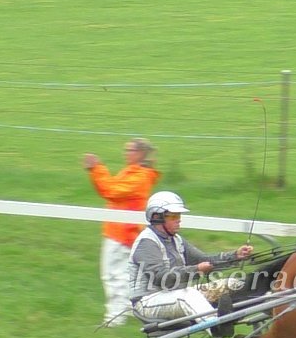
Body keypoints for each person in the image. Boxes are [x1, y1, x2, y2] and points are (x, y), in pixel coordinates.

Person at [129, 191, 253, 327]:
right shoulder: (146, 242)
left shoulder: (176, 240)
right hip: (147, 303)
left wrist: (235, 256)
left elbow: (203, 259)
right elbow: (161, 277)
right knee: (189, 295)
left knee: (233, 284)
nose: (179, 219)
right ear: (157, 217)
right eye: (173, 216)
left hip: (176, 295)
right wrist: (197, 270)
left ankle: (232, 319)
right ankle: (216, 327)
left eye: (179, 215)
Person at [85, 138, 161, 327]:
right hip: (121, 230)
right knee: (123, 274)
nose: (126, 153)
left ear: (141, 153)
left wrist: (96, 168)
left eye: (130, 150)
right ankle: (127, 309)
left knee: (112, 275)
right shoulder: (132, 172)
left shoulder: (139, 176)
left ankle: (114, 317)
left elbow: (111, 191)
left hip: (122, 232)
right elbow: (111, 188)